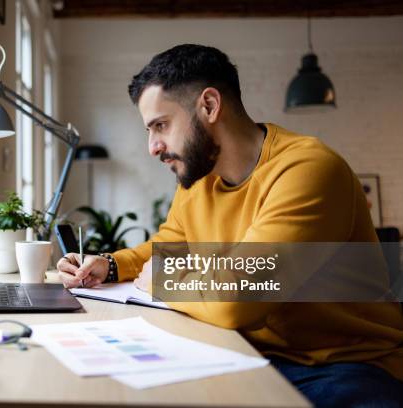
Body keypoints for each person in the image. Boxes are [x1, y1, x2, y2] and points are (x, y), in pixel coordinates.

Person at [56, 44, 403, 407]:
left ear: (209, 106)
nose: (153, 147)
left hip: (347, 367)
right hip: (247, 350)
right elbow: (169, 248)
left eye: (161, 125)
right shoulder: (199, 179)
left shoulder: (308, 170)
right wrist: (110, 265)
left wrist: (161, 279)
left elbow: (237, 300)